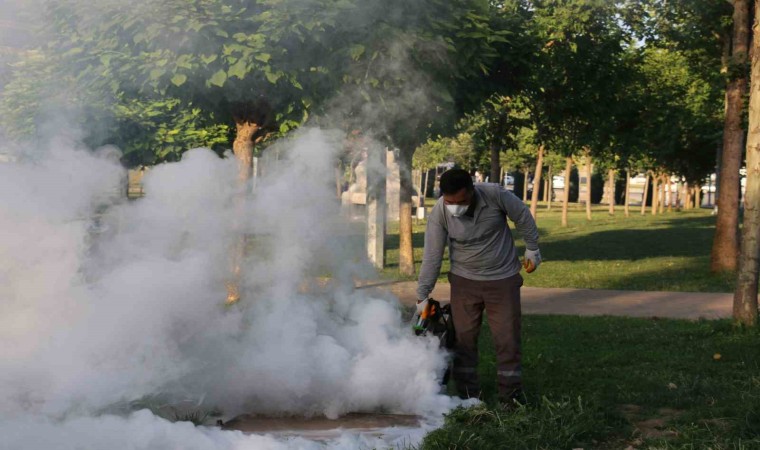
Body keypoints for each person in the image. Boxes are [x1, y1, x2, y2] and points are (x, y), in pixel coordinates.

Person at [416, 168, 541, 405]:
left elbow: (522, 216)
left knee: (507, 340)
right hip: (464, 282)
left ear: (472, 191)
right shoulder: (440, 212)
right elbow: (432, 256)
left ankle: (510, 399)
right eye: (450, 202)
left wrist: (532, 248)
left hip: (502, 281)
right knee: (463, 341)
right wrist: (423, 295)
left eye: (461, 201)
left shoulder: (495, 195)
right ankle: (467, 398)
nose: (456, 207)